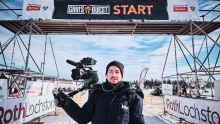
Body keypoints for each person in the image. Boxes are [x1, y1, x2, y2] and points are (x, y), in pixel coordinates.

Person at [54, 60, 145, 124]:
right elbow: (83, 118)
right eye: (110, 71)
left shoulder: (133, 98)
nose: (114, 75)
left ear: (122, 75)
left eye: (117, 72)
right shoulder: (97, 94)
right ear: (106, 74)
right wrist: (66, 103)